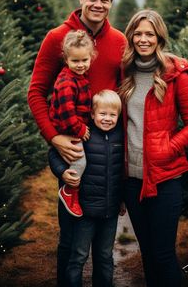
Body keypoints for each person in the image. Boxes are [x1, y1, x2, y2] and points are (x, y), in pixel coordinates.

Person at [27, 0, 126, 287]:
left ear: (111, 2)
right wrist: (54, 137)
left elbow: (131, 84)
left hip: (107, 150)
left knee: (103, 250)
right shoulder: (58, 38)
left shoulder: (119, 41)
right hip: (71, 146)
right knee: (72, 243)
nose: (98, 4)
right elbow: (35, 92)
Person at [118, 9, 188, 287]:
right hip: (132, 183)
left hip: (165, 179)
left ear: (159, 38)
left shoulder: (177, 76)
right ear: (131, 36)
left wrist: (167, 148)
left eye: (149, 34)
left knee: (163, 254)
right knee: (148, 254)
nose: (143, 39)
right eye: (138, 33)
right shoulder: (124, 74)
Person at [49, 89, 124, 287]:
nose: (107, 119)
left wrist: (121, 200)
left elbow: (121, 172)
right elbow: (55, 155)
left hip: (110, 211)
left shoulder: (120, 137)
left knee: (105, 257)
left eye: (112, 114)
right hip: (85, 211)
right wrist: (62, 173)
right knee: (79, 256)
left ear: (119, 115)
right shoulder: (83, 135)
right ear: (92, 114)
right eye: (102, 114)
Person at [49, 30, 96, 217]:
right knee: (80, 162)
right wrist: (80, 128)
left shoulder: (79, 77)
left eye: (84, 60)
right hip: (67, 129)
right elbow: (68, 113)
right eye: (75, 61)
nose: (80, 65)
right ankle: (69, 191)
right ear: (66, 59)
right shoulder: (67, 82)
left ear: (91, 57)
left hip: (73, 126)